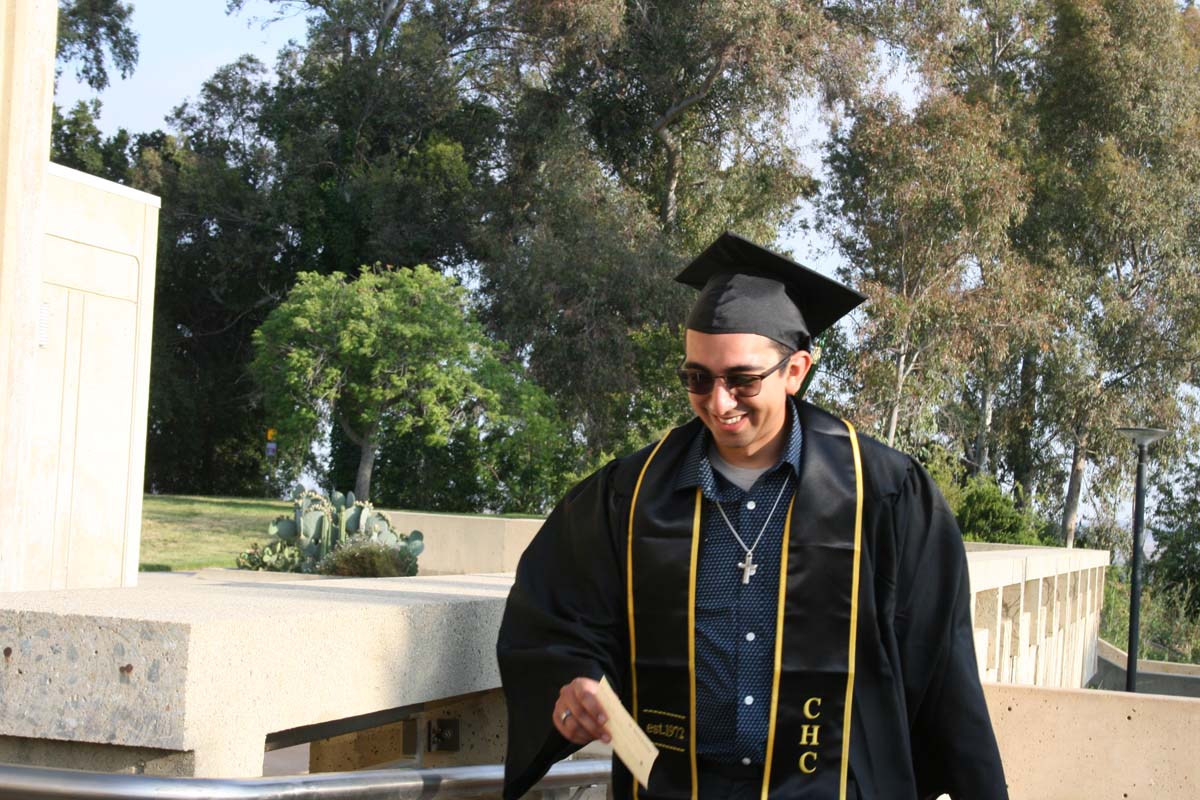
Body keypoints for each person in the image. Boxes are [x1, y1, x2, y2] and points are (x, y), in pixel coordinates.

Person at [496, 232, 1008, 799]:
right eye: (697, 378)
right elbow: (557, 618)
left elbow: (942, 670)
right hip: (671, 787)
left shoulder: (883, 494)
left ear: (796, 371)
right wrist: (576, 683)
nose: (718, 402)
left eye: (742, 380)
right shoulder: (630, 496)